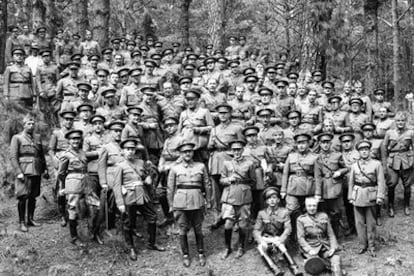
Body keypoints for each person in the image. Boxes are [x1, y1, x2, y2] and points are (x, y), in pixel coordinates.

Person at [113, 138, 165, 261]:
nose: (130, 152)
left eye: (132, 149)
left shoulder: (140, 162)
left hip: (142, 195)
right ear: (122, 151)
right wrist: (120, 203)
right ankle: (130, 247)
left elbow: (146, 175)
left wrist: (148, 178)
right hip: (129, 197)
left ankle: (151, 243)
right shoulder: (120, 166)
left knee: (152, 218)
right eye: (127, 149)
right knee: (129, 223)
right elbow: (116, 186)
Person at [167, 141, 211, 267]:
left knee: (198, 228)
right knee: (182, 229)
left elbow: (206, 184)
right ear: (180, 154)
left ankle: (201, 253)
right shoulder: (175, 168)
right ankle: (185, 255)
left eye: (189, 151)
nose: (187, 154)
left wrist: (208, 201)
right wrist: (171, 204)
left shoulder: (201, 166)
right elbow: (170, 188)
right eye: (184, 152)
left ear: (193, 152)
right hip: (180, 202)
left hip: (197, 201)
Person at [57, 130, 96, 246]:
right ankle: (74, 237)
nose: (76, 141)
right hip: (73, 182)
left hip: (86, 181)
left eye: (78, 139)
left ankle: (90, 232)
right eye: (73, 139)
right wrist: (64, 187)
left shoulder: (83, 152)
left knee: (92, 204)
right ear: (69, 141)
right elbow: (61, 173)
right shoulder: (66, 154)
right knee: (72, 208)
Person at [220, 139, 257, 259]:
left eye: (239, 149)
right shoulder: (226, 163)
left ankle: (241, 247)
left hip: (244, 196)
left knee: (242, 224)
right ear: (231, 151)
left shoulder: (249, 163)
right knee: (228, 224)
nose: (236, 152)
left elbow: (253, 181)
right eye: (234, 150)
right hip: (229, 196)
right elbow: (221, 180)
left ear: (243, 150)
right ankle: (227, 247)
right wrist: (228, 179)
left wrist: (243, 186)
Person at [10, 115, 48, 232]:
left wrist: (45, 169)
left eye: (33, 124)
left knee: (33, 196)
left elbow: (41, 155)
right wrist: (18, 172)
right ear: (24, 125)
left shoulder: (37, 138)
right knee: (23, 197)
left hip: (36, 170)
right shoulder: (17, 138)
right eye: (29, 124)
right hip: (24, 171)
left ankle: (30, 219)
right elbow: (13, 157)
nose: (31, 126)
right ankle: (22, 222)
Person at [208, 104, 243, 229]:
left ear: (230, 114)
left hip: (229, 160)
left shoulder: (236, 128)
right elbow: (209, 146)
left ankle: (234, 217)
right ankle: (218, 216)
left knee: (232, 189)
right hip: (216, 161)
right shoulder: (214, 129)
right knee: (216, 191)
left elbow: (241, 145)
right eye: (220, 113)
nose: (222, 115)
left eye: (225, 113)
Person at [348, 140, 385, 257]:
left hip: (371, 195)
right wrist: (350, 196)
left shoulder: (377, 164)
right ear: (358, 152)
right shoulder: (354, 165)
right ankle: (362, 245)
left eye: (366, 150)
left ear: (369, 151)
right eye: (362, 150)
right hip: (358, 195)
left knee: (371, 223)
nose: (364, 152)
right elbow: (351, 183)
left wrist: (380, 196)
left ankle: (372, 245)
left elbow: (381, 181)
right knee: (359, 223)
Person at [253, 187, 301, 276]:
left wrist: (281, 239)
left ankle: (294, 267)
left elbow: (288, 228)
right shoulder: (262, 213)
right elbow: (256, 230)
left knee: (281, 246)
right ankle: (274, 268)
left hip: (279, 237)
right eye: (269, 198)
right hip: (267, 238)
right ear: (266, 201)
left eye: (274, 198)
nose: (272, 200)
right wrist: (261, 240)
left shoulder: (284, 212)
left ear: (278, 200)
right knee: (260, 248)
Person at [281, 133, 318, 236]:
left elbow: (318, 176)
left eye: (304, 143)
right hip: (293, 187)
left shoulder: (314, 157)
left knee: (309, 210)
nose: (301, 146)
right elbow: (285, 173)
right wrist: (283, 189)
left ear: (308, 144)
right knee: (291, 210)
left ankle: (309, 234)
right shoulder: (291, 156)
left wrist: (318, 192)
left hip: (308, 187)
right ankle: (292, 235)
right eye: (299, 143)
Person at [297, 197, 342, 276]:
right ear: (306, 207)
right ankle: (326, 265)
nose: (312, 208)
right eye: (309, 206)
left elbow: (330, 234)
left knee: (336, 260)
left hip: (325, 245)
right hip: (312, 246)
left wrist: (333, 247)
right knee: (315, 266)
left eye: (314, 206)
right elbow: (301, 238)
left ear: (317, 206)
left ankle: (335, 270)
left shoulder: (324, 216)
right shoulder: (301, 220)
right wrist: (309, 250)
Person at [314, 133, 348, 235]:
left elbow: (346, 168)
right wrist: (318, 193)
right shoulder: (317, 158)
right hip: (324, 187)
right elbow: (317, 176)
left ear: (330, 143)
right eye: (323, 143)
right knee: (324, 213)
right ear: (319, 144)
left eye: (327, 142)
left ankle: (337, 234)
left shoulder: (337, 155)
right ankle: (327, 235)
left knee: (336, 212)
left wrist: (339, 172)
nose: (325, 145)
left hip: (335, 186)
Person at [383, 112, 414, 217]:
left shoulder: (410, 133)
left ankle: (406, 206)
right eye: (398, 121)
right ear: (395, 122)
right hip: (393, 161)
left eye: (402, 121)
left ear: (405, 122)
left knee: (407, 185)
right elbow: (384, 148)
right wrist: (385, 163)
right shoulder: (389, 133)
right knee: (391, 184)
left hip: (406, 161)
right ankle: (390, 206)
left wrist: (412, 159)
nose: (400, 123)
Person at [83, 114, 107, 244]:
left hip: (106, 173)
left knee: (104, 203)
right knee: (93, 204)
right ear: (92, 126)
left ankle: (99, 229)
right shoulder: (88, 139)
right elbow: (84, 154)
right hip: (93, 173)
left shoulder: (108, 138)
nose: (98, 125)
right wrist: (99, 152)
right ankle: (92, 231)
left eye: (100, 123)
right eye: (95, 123)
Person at [3, 48, 34, 113]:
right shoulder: (9, 68)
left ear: (23, 57)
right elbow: (6, 83)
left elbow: (32, 83)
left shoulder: (28, 68)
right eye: (17, 55)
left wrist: (34, 94)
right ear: (13, 57)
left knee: (28, 114)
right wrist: (6, 95)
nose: (19, 57)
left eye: (21, 55)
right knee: (16, 115)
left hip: (27, 94)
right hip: (14, 95)